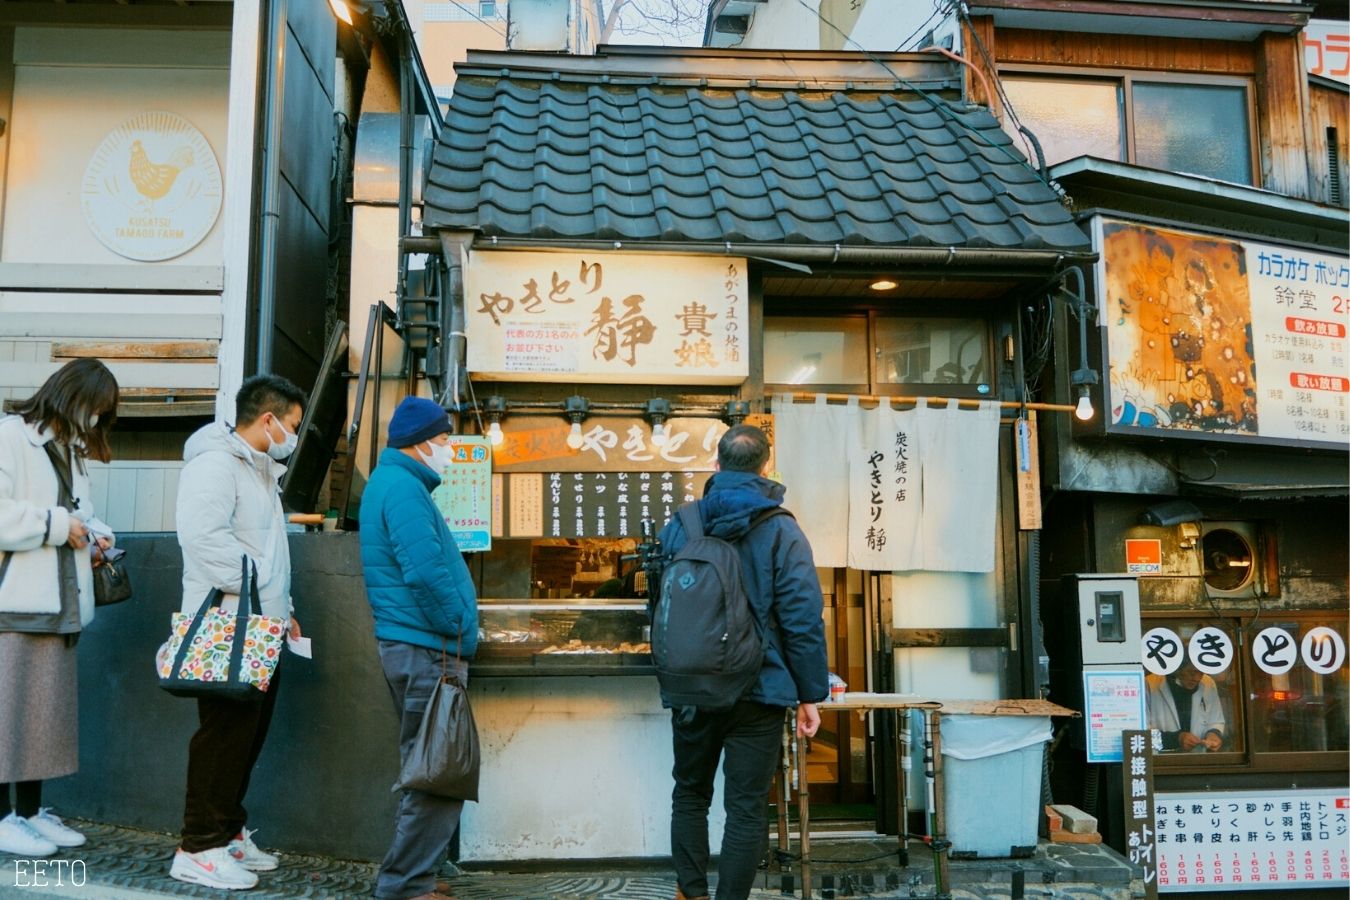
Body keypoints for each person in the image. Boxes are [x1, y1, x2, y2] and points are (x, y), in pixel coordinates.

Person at [656, 424, 828, 900]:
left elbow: (662, 603)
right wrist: (810, 693)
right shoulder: (782, 529)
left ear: (716, 466)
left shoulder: (682, 524)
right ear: (767, 467)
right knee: (746, 807)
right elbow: (801, 617)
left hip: (693, 686)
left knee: (690, 793)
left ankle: (690, 893)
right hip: (759, 687)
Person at [169, 374, 306, 890]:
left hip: (261, 624)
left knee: (246, 738)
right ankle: (196, 846)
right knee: (221, 738)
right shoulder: (214, 465)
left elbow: (268, 548)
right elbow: (204, 540)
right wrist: (260, 586)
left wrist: (282, 605)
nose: (294, 436)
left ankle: (226, 833)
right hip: (228, 624)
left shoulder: (261, 471)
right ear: (268, 419)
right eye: (291, 426)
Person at [359, 396, 479, 900]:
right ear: (423, 442)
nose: (450, 449)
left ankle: (414, 878)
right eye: (446, 439)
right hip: (427, 649)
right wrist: (458, 627)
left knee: (428, 766)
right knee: (437, 772)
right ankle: (405, 885)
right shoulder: (404, 490)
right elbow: (426, 574)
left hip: (419, 646)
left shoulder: (395, 484)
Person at [0, 359, 118, 857]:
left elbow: (77, 513)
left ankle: (26, 814)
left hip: (58, 601)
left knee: (41, 717)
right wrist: (57, 525)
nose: (95, 420)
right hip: (16, 601)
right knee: (9, 714)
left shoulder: (69, 450)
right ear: (73, 397)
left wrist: (94, 533)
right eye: (95, 408)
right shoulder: (11, 436)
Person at [1147, 660, 1226, 753]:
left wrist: (1214, 734)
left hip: (1197, 759)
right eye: (1191, 672)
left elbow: (1216, 720)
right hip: (1161, 760)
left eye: (1201, 672)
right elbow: (1140, 735)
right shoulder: (1150, 684)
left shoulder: (1208, 683)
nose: (1197, 678)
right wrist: (1176, 739)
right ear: (1177, 668)